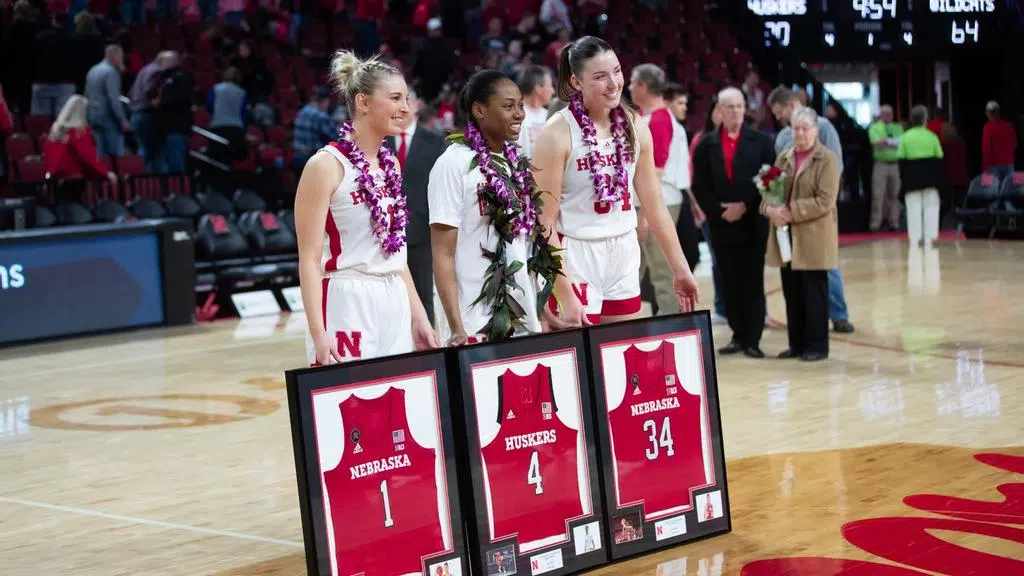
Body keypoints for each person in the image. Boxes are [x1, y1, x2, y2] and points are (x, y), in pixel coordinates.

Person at [531, 36, 699, 327]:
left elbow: (655, 205)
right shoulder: (556, 133)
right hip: (576, 255)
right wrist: (564, 290)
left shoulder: (635, 125)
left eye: (617, 71)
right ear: (576, 82)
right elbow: (544, 223)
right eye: (600, 76)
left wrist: (680, 267)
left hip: (623, 250)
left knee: (622, 355)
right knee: (583, 363)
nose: (613, 84)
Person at [294, 50, 438, 366]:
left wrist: (418, 314)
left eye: (407, 99)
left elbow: (395, 254)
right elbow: (309, 257)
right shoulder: (325, 165)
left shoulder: (391, 167)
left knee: (396, 405)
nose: (405, 108)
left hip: (394, 298)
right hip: (348, 298)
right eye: (396, 98)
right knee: (352, 408)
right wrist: (318, 332)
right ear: (363, 103)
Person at [430, 69, 567, 345]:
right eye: (508, 106)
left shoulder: (515, 162)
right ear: (479, 110)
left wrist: (541, 308)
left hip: (521, 313)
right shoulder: (452, 164)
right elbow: (442, 253)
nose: (519, 114)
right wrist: (456, 327)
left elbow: (525, 244)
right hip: (472, 319)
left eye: (519, 105)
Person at [692, 87, 775, 358]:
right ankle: (737, 335)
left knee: (752, 282)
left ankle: (753, 339)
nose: (737, 112)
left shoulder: (762, 141)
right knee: (729, 282)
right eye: (731, 107)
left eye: (740, 106)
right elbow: (700, 186)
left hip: (752, 222)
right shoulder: (707, 144)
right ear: (720, 110)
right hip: (721, 224)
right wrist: (718, 211)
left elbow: (771, 180)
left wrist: (744, 205)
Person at [767, 86, 854, 334]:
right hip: (790, 218)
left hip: (816, 213)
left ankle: (838, 314)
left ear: (789, 104)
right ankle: (803, 328)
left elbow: (833, 166)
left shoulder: (824, 126)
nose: (777, 117)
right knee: (795, 275)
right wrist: (776, 207)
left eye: (778, 111)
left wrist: (822, 202)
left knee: (826, 266)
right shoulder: (783, 137)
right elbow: (776, 179)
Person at [762, 106, 840, 362]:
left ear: (816, 130)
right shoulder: (783, 157)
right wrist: (770, 209)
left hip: (814, 236)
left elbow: (825, 201)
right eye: (796, 128)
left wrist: (790, 211)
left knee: (814, 293)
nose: (801, 133)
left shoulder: (827, 159)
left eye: (806, 128)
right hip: (786, 237)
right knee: (792, 292)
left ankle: (817, 346)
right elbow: (769, 194)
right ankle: (796, 344)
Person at [628, 63, 689, 315]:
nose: (629, 87)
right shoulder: (648, 117)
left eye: (632, 82)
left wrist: (644, 216)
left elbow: (656, 172)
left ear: (643, 87)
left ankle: (673, 326)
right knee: (637, 268)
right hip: (652, 202)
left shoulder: (660, 119)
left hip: (658, 203)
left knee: (662, 271)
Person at [392, 87, 446, 326]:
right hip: (385, 231)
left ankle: (428, 345)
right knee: (392, 298)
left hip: (422, 230)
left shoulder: (436, 143)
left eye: (407, 100)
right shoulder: (379, 142)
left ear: (417, 105)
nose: (402, 107)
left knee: (424, 293)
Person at [897, 105, 944, 248]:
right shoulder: (932, 137)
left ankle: (914, 239)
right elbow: (939, 158)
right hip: (930, 180)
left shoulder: (905, 137)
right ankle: (930, 238)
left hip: (911, 179)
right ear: (925, 120)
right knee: (931, 207)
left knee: (913, 209)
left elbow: (901, 160)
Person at [868, 104, 903, 232]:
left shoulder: (898, 127)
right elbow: (877, 143)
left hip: (894, 164)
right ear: (881, 114)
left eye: (890, 114)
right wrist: (891, 142)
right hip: (880, 164)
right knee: (878, 194)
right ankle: (876, 223)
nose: (888, 116)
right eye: (886, 114)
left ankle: (893, 222)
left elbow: (901, 143)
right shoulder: (875, 127)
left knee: (894, 194)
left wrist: (886, 142)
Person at [516, 65, 555, 160]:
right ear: (538, 89)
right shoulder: (516, 116)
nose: (553, 91)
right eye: (550, 86)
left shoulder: (551, 116)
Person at [981, 100, 1017, 181]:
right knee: (1008, 190)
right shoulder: (1009, 126)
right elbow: (1014, 145)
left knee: (994, 191)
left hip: (993, 165)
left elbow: (986, 149)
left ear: (988, 113)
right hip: (1009, 163)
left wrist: (985, 169)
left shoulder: (988, 127)